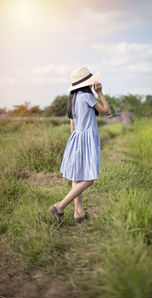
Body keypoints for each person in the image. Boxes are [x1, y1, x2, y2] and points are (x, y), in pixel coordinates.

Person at [49, 65, 111, 224]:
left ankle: (79, 212)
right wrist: (100, 92)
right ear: (86, 83)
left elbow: (72, 125)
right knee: (89, 179)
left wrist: (75, 142)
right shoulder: (87, 96)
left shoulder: (73, 97)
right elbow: (106, 111)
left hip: (76, 138)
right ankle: (60, 205)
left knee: (77, 176)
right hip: (87, 137)